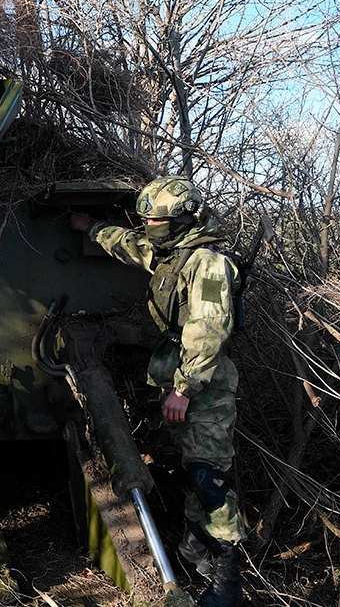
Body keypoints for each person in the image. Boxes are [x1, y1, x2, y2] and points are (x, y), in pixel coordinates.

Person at [70, 176, 243, 607]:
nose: (148, 225)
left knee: (211, 480)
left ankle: (228, 582)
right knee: (192, 473)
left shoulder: (208, 263)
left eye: (156, 219)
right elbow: (129, 243)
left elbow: (208, 331)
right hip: (179, 383)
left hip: (205, 389)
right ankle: (193, 552)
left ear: (181, 219)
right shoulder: (172, 254)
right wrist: (89, 227)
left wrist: (183, 389)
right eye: (146, 218)